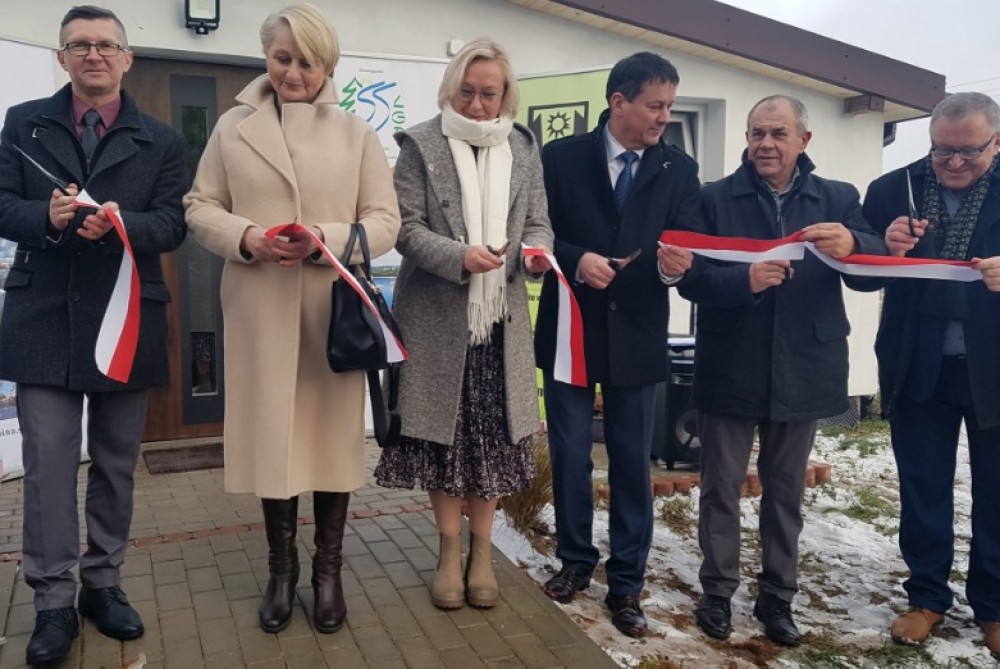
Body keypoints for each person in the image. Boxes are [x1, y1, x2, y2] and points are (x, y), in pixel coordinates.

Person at [184, 3, 400, 635]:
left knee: (329, 443)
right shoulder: (232, 128)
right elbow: (199, 206)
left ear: (327, 64)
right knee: (272, 440)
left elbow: (384, 221)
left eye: (307, 61)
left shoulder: (356, 133)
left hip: (331, 313)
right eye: (282, 58)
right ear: (266, 57)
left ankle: (328, 571)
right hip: (258, 306)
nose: (293, 73)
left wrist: (324, 236)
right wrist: (248, 237)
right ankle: (281, 570)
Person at [0, 5, 187, 664]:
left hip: (125, 318)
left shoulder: (161, 139)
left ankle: (102, 585)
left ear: (127, 58)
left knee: (113, 464)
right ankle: (53, 600)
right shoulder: (23, 121)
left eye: (106, 44)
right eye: (79, 45)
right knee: (49, 468)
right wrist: (46, 217)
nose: (94, 55)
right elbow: (2, 205)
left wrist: (122, 223)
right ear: (62, 58)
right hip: (43, 319)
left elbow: (173, 223)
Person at [678, 95, 886, 646]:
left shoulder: (837, 198)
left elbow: (872, 272)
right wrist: (742, 282)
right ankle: (717, 592)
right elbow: (688, 277)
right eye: (756, 133)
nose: (765, 144)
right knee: (720, 487)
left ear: (803, 140)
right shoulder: (713, 199)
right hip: (731, 361)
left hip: (805, 363)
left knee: (786, 491)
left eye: (777, 133)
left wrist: (855, 244)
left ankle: (777, 596)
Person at [374, 38, 553, 611]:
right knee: (441, 442)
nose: (477, 105)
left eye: (488, 94)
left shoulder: (522, 146)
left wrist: (533, 254)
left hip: (500, 324)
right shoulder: (420, 144)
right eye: (467, 92)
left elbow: (540, 223)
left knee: (491, 444)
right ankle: (449, 554)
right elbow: (405, 229)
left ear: (506, 97)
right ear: (451, 89)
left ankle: (482, 555)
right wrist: (459, 256)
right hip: (436, 319)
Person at [534, 52, 699, 638]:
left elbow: (686, 246)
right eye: (655, 105)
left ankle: (627, 583)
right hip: (571, 329)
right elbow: (536, 232)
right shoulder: (560, 157)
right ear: (618, 102)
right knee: (570, 453)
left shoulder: (679, 168)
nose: (664, 117)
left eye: (670, 106)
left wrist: (677, 268)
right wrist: (577, 259)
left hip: (638, 335)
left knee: (631, 462)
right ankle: (575, 562)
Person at [862, 91, 1000, 657]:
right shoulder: (892, 189)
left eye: (970, 151)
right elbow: (858, 274)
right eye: (943, 151)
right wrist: (886, 249)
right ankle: (926, 597)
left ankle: (994, 606)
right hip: (917, 362)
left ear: (997, 142)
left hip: (993, 365)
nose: (955, 163)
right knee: (922, 486)